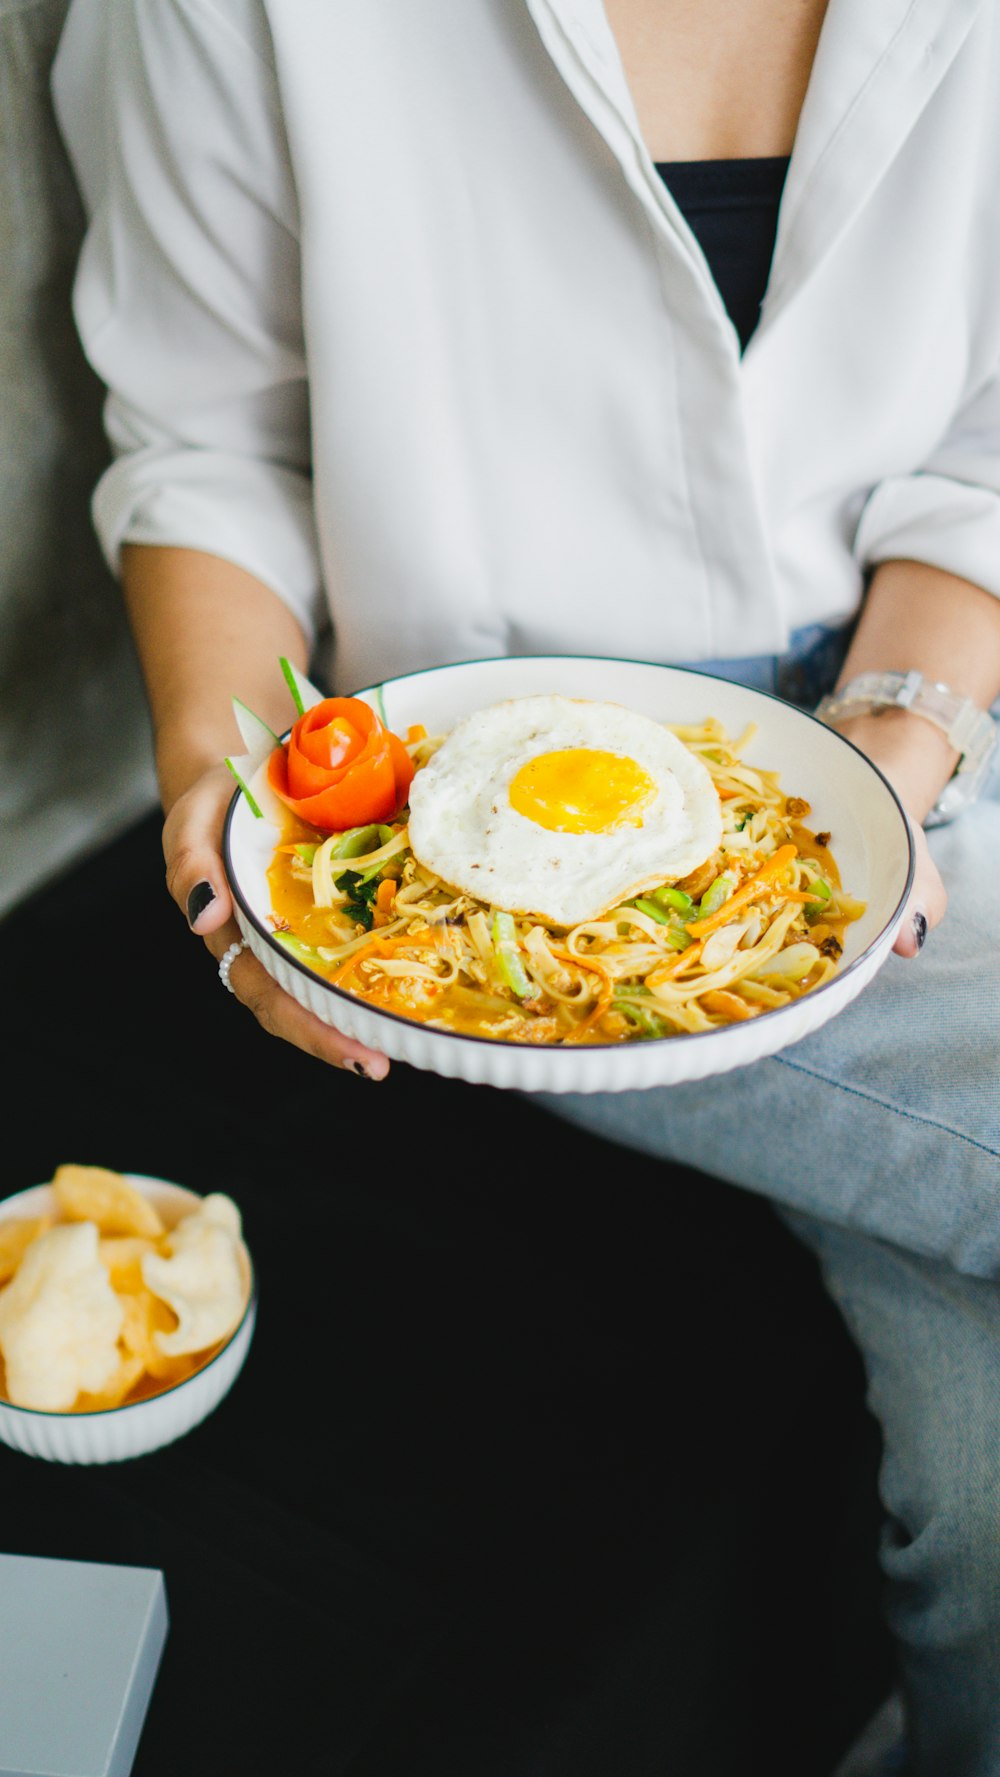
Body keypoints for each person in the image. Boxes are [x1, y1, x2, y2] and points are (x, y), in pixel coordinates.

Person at [50, 2, 1000, 1771]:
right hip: (471, 823)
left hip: (925, 716)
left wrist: (894, 751)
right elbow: (206, 443)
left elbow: (987, 465)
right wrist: (236, 807)